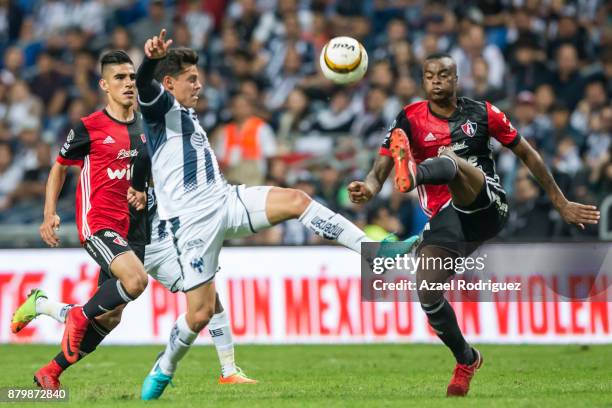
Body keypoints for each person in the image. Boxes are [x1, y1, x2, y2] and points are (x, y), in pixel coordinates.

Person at [131, 30, 414, 400]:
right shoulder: (161, 108)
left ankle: (370, 251)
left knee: (297, 199)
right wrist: (150, 60)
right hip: (192, 224)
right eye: (191, 79)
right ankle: (165, 366)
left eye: (198, 77)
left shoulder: (186, 115)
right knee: (199, 315)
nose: (199, 85)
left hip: (226, 200)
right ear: (169, 83)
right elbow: (143, 85)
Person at [347, 53, 600, 397]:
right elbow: (378, 171)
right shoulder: (408, 118)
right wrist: (369, 188)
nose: (436, 81)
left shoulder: (483, 112)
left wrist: (561, 201)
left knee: (450, 159)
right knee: (427, 290)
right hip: (448, 221)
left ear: (456, 79)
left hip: (487, 203)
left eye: (444, 75)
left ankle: (414, 175)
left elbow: (527, 153)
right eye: (429, 75)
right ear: (424, 81)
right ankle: (467, 359)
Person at [12, 189, 256, 394]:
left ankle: (229, 371)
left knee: (208, 297)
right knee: (106, 317)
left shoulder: (161, 151)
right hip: (125, 246)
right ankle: (44, 313)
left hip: (161, 245)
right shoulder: (125, 152)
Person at [33, 50, 150, 389]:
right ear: (104, 85)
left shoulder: (146, 125)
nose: (128, 83)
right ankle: (77, 315)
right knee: (136, 281)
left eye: (131, 77)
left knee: (111, 315)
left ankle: (50, 372)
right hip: (99, 223)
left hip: (136, 228)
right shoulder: (89, 127)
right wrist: (49, 212)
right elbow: (59, 166)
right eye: (120, 78)